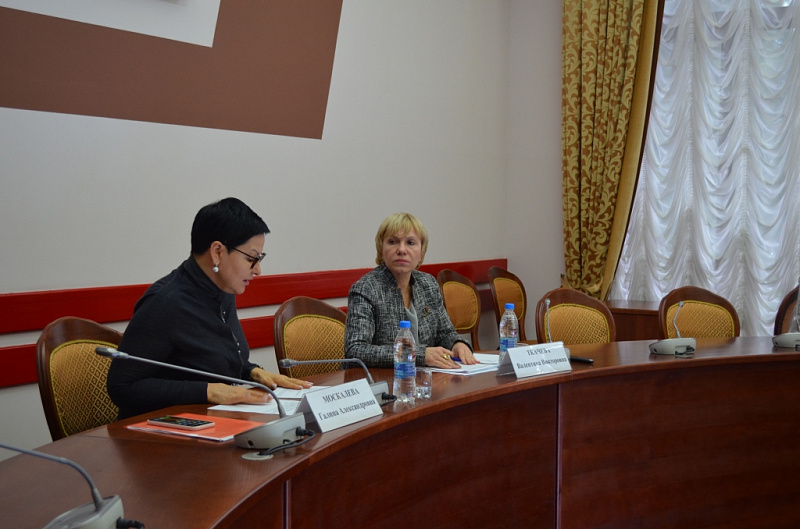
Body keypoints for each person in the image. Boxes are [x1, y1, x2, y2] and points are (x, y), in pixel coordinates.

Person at [107, 197, 312, 419]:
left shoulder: (222, 289)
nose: (258, 270)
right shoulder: (165, 303)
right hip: (156, 432)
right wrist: (208, 391)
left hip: (211, 423)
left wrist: (252, 372)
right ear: (217, 252)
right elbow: (123, 387)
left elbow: (212, 360)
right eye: (251, 259)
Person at [345, 212, 478, 368]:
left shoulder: (428, 284)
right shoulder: (366, 289)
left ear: (421, 251)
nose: (402, 250)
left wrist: (457, 344)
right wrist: (418, 355)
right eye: (393, 242)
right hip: (382, 379)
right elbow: (356, 350)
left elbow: (445, 333)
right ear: (381, 249)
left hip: (426, 377)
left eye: (410, 242)